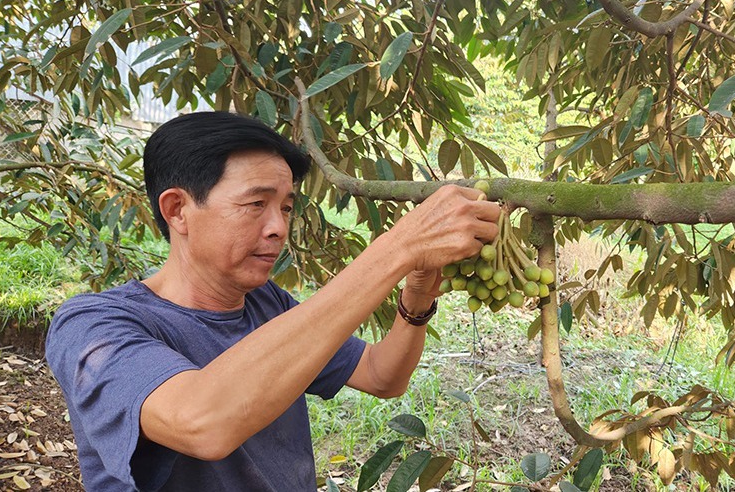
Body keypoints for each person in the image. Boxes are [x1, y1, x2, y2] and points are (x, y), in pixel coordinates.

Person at [46, 111, 500, 491]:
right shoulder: (91, 326)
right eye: (255, 204)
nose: (278, 228)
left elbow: (383, 377)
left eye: (285, 207)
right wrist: (396, 248)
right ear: (177, 210)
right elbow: (203, 421)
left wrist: (417, 296)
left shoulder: (267, 305)